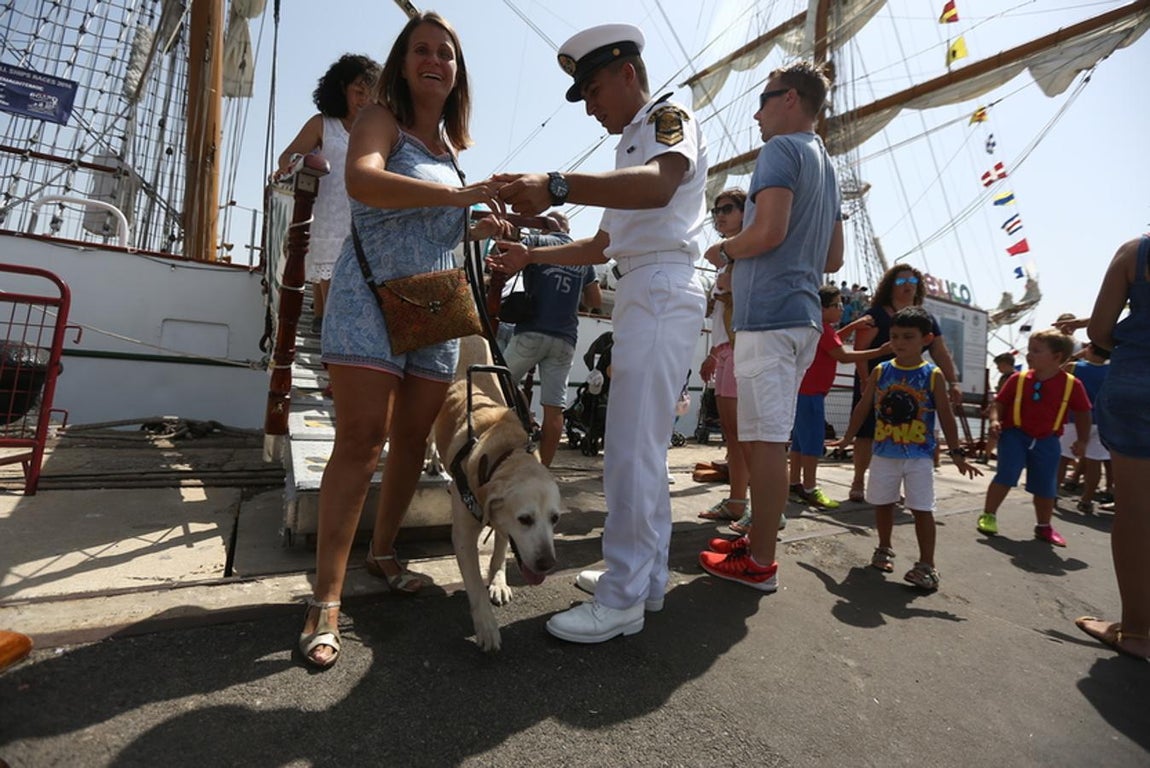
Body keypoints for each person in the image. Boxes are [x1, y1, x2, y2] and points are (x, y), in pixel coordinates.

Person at [297, 12, 508, 669]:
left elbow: (433, 223)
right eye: (422, 49)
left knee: (415, 443)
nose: (434, 60)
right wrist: (460, 199)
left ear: (457, 73)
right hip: (369, 297)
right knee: (362, 440)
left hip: (435, 302)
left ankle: (383, 553)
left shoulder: (448, 150)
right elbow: (362, 180)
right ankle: (325, 600)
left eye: (446, 52)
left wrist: (481, 224)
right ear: (403, 61)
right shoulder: (379, 120)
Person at [490, 23, 708, 642]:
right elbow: (600, 245)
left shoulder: (668, 120)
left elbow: (660, 185)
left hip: (661, 286)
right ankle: (646, 579)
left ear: (626, 73)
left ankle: (621, 600)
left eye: (592, 91)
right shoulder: (631, 149)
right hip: (645, 286)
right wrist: (530, 255)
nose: (590, 107)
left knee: (631, 454)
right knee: (643, 451)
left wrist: (558, 184)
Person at [695, 61, 843, 592]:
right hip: (801, 317)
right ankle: (757, 541)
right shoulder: (828, 165)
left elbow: (769, 231)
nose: (756, 114)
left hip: (770, 318)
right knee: (769, 439)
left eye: (763, 100)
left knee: (763, 442)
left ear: (790, 99)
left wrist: (725, 249)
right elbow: (834, 259)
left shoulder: (781, 150)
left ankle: (759, 563)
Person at [838, 307, 982, 589]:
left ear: (926, 339)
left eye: (908, 337)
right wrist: (847, 438)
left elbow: (946, 416)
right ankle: (884, 548)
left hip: (919, 457)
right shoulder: (881, 370)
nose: (899, 342)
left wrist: (957, 453)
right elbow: (863, 407)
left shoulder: (933, 375)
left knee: (922, 508)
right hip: (884, 454)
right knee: (882, 503)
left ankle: (927, 565)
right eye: (894, 336)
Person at [1075, 235, 1150, 660]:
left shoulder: (1136, 253)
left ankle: (1136, 631)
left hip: (1138, 382)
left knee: (1136, 511)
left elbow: (1099, 331)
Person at [276, 54, 382, 334]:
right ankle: (325, 325)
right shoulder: (322, 124)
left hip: (361, 213)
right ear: (342, 88)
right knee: (328, 271)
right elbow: (287, 156)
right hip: (326, 212)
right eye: (358, 92)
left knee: (350, 280)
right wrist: (299, 163)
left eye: (370, 94)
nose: (364, 100)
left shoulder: (377, 131)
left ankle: (326, 324)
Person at [848, 265, 963, 502]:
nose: (908, 285)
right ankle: (858, 479)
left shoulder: (925, 319)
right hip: (877, 379)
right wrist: (864, 379)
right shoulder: (876, 315)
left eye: (912, 281)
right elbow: (860, 349)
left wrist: (953, 381)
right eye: (901, 282)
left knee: (903, 432)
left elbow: (940, 351)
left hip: (912, 385)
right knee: (866, 432)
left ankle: (894, 483)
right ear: (890, 286)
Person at [495, 211, 601, 467]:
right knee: (554, 409)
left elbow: (503, 265)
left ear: (544, 227)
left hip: (531, 331)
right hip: (565, 339)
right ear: (568, 229)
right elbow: (595, 301)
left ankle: (513, 436)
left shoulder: (537, 243)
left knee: (497, 386)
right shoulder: (582, 255)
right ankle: (544, 469)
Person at [977, 329, 1091, 548]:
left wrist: (1083, 440)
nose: (1029, 355)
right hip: (1015, 434)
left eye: (1036, 351)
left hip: (1048, 439)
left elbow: (1083, 412)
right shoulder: (1017, 379)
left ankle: (1044, 526)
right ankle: (988, 515)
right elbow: (999, 403)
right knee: (1006, 475)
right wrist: (994, 420)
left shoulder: (1071, 384)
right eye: (1029, 350)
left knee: (1046, 485)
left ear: (1057, 356)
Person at [789, 284, 891, 509]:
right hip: (813, 394)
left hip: (802, 391)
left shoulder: (817, 328)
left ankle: (794, 483)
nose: (841, 309)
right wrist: (880, 351)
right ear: (823, 308)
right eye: (837, 305)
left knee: (798, 442)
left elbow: (833, 341)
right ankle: (810, 488)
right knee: (813, 443)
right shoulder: (824, 330)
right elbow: (843, 356)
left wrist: (853, 326)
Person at [697, 188, 754, 526]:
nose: (719, 215)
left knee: (745, 436)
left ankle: (760, 507)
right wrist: (712, 353)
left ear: (748, 211)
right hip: (725, 351)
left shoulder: (746, 253)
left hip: (739, 350)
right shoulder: (733, 256)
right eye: (716, 210)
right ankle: (737, 501)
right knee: (733, 435)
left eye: (728, 208)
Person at [1056, 343, 1109, 514]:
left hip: (1075, 418)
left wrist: (1075, 356)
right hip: (1101, 421)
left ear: (1090, 349)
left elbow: (1056, 373)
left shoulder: (1075, 367)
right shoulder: (1112, 371)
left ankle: (1053, 492)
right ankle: (1086, 499)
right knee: (1095, 462)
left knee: (1062, 458)